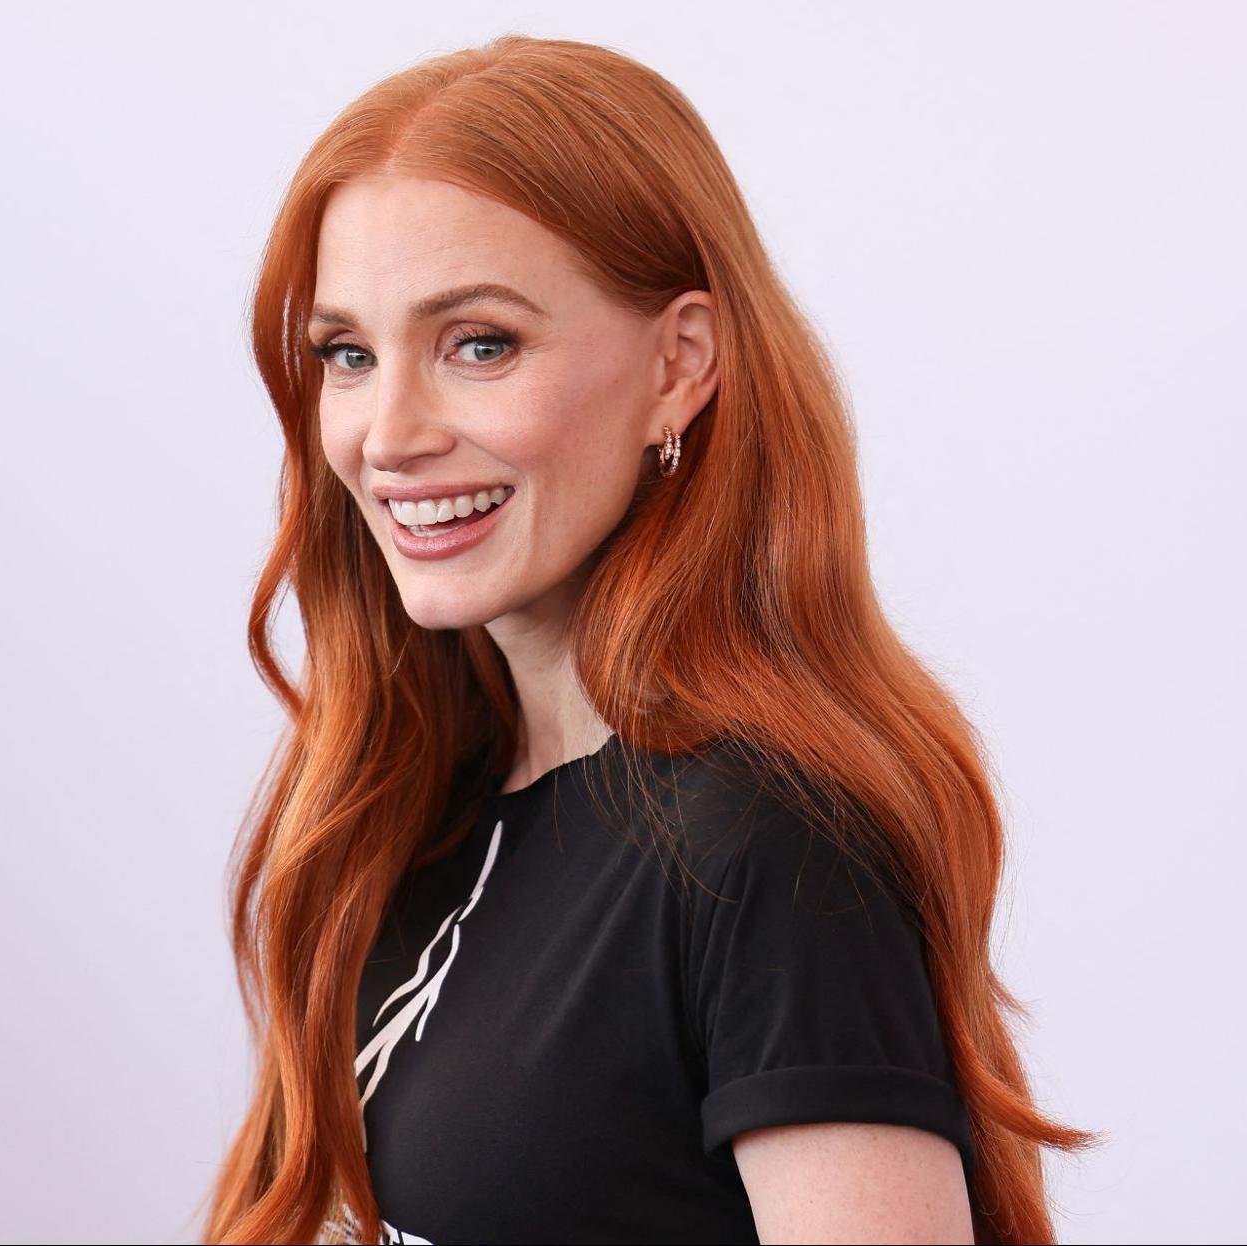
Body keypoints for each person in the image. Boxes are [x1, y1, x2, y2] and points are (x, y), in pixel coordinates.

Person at [201, 33, 1099, 1246]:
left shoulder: (767, 843)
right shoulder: (422, 810)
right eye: (348, 355)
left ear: (680, 365)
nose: (388, 433)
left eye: (479, 343)